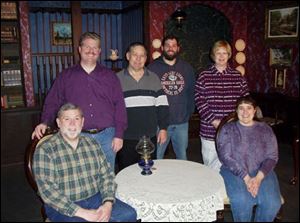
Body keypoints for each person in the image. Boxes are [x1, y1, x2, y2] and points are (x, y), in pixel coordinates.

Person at [31, 32, 127, 170]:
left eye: (95, 48)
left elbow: (120, 106)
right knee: (79, 177)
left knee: (107, 177)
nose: (91, 51)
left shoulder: (110, 76)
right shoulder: (66, 76)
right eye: (87, 47)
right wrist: (44, 122)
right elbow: (53, 101)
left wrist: (119, 135)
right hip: (76, 136)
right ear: (80, 49)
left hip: (107, 137)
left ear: (99, 51)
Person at [33, 103, 137, 222]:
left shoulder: (92, 144)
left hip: (95, 197)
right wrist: (82, 213)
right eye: (67, 119)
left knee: (129, 215)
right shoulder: (46, 149)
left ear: (82, 122)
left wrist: (107, 204)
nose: (72, 124)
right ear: (58, 123)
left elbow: (107, 176)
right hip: (62, 205)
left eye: (76, 119)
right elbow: (48, 191)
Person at [216, 96, 282, 222]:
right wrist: (246, 178)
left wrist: (257, 178)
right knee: (242, 201)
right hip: (233, 171)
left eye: (248, 108)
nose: (245, 112)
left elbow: (272, 156)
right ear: (236, 111)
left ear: (255, 110)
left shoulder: (265, 129)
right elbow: (225, 156)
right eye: (241, 108)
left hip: (262, 170)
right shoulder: (228, 129)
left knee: (272, 203)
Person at [195, 40, 249, 171]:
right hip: (210, 131)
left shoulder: (237, 77)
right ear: (213, 55)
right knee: (210, 167)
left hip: (234, 130)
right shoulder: (204, 76)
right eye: (218, 53)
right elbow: (199, 101)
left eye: (224, 53)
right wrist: (214, 121)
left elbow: (246, 102)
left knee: (232, 166)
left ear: (229, 55)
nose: (221, 56)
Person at [116, 42, 169, 171]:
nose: (138, 59)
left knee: (148, 171)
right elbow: (112, 109)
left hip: (149, 137)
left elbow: (162, 105)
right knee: (126, 172)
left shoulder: (154, 78)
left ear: (146, 58)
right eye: (135, 55)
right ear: (128, 56)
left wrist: (163, 128)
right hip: (126, 137)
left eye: (142, 56)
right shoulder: (116, 79)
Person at [148, 35, 196, 160]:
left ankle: (181, 180)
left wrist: (189, 113)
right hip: (160, 123)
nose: (170, 48)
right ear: (162, 47)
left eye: (173, 45)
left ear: (178, 48)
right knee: (157, 157)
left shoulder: (187, 68)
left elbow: (192, 92)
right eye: (168, 45)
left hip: (182, 122)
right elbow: (149, 95)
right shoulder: (152, 68)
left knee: (182, 157)